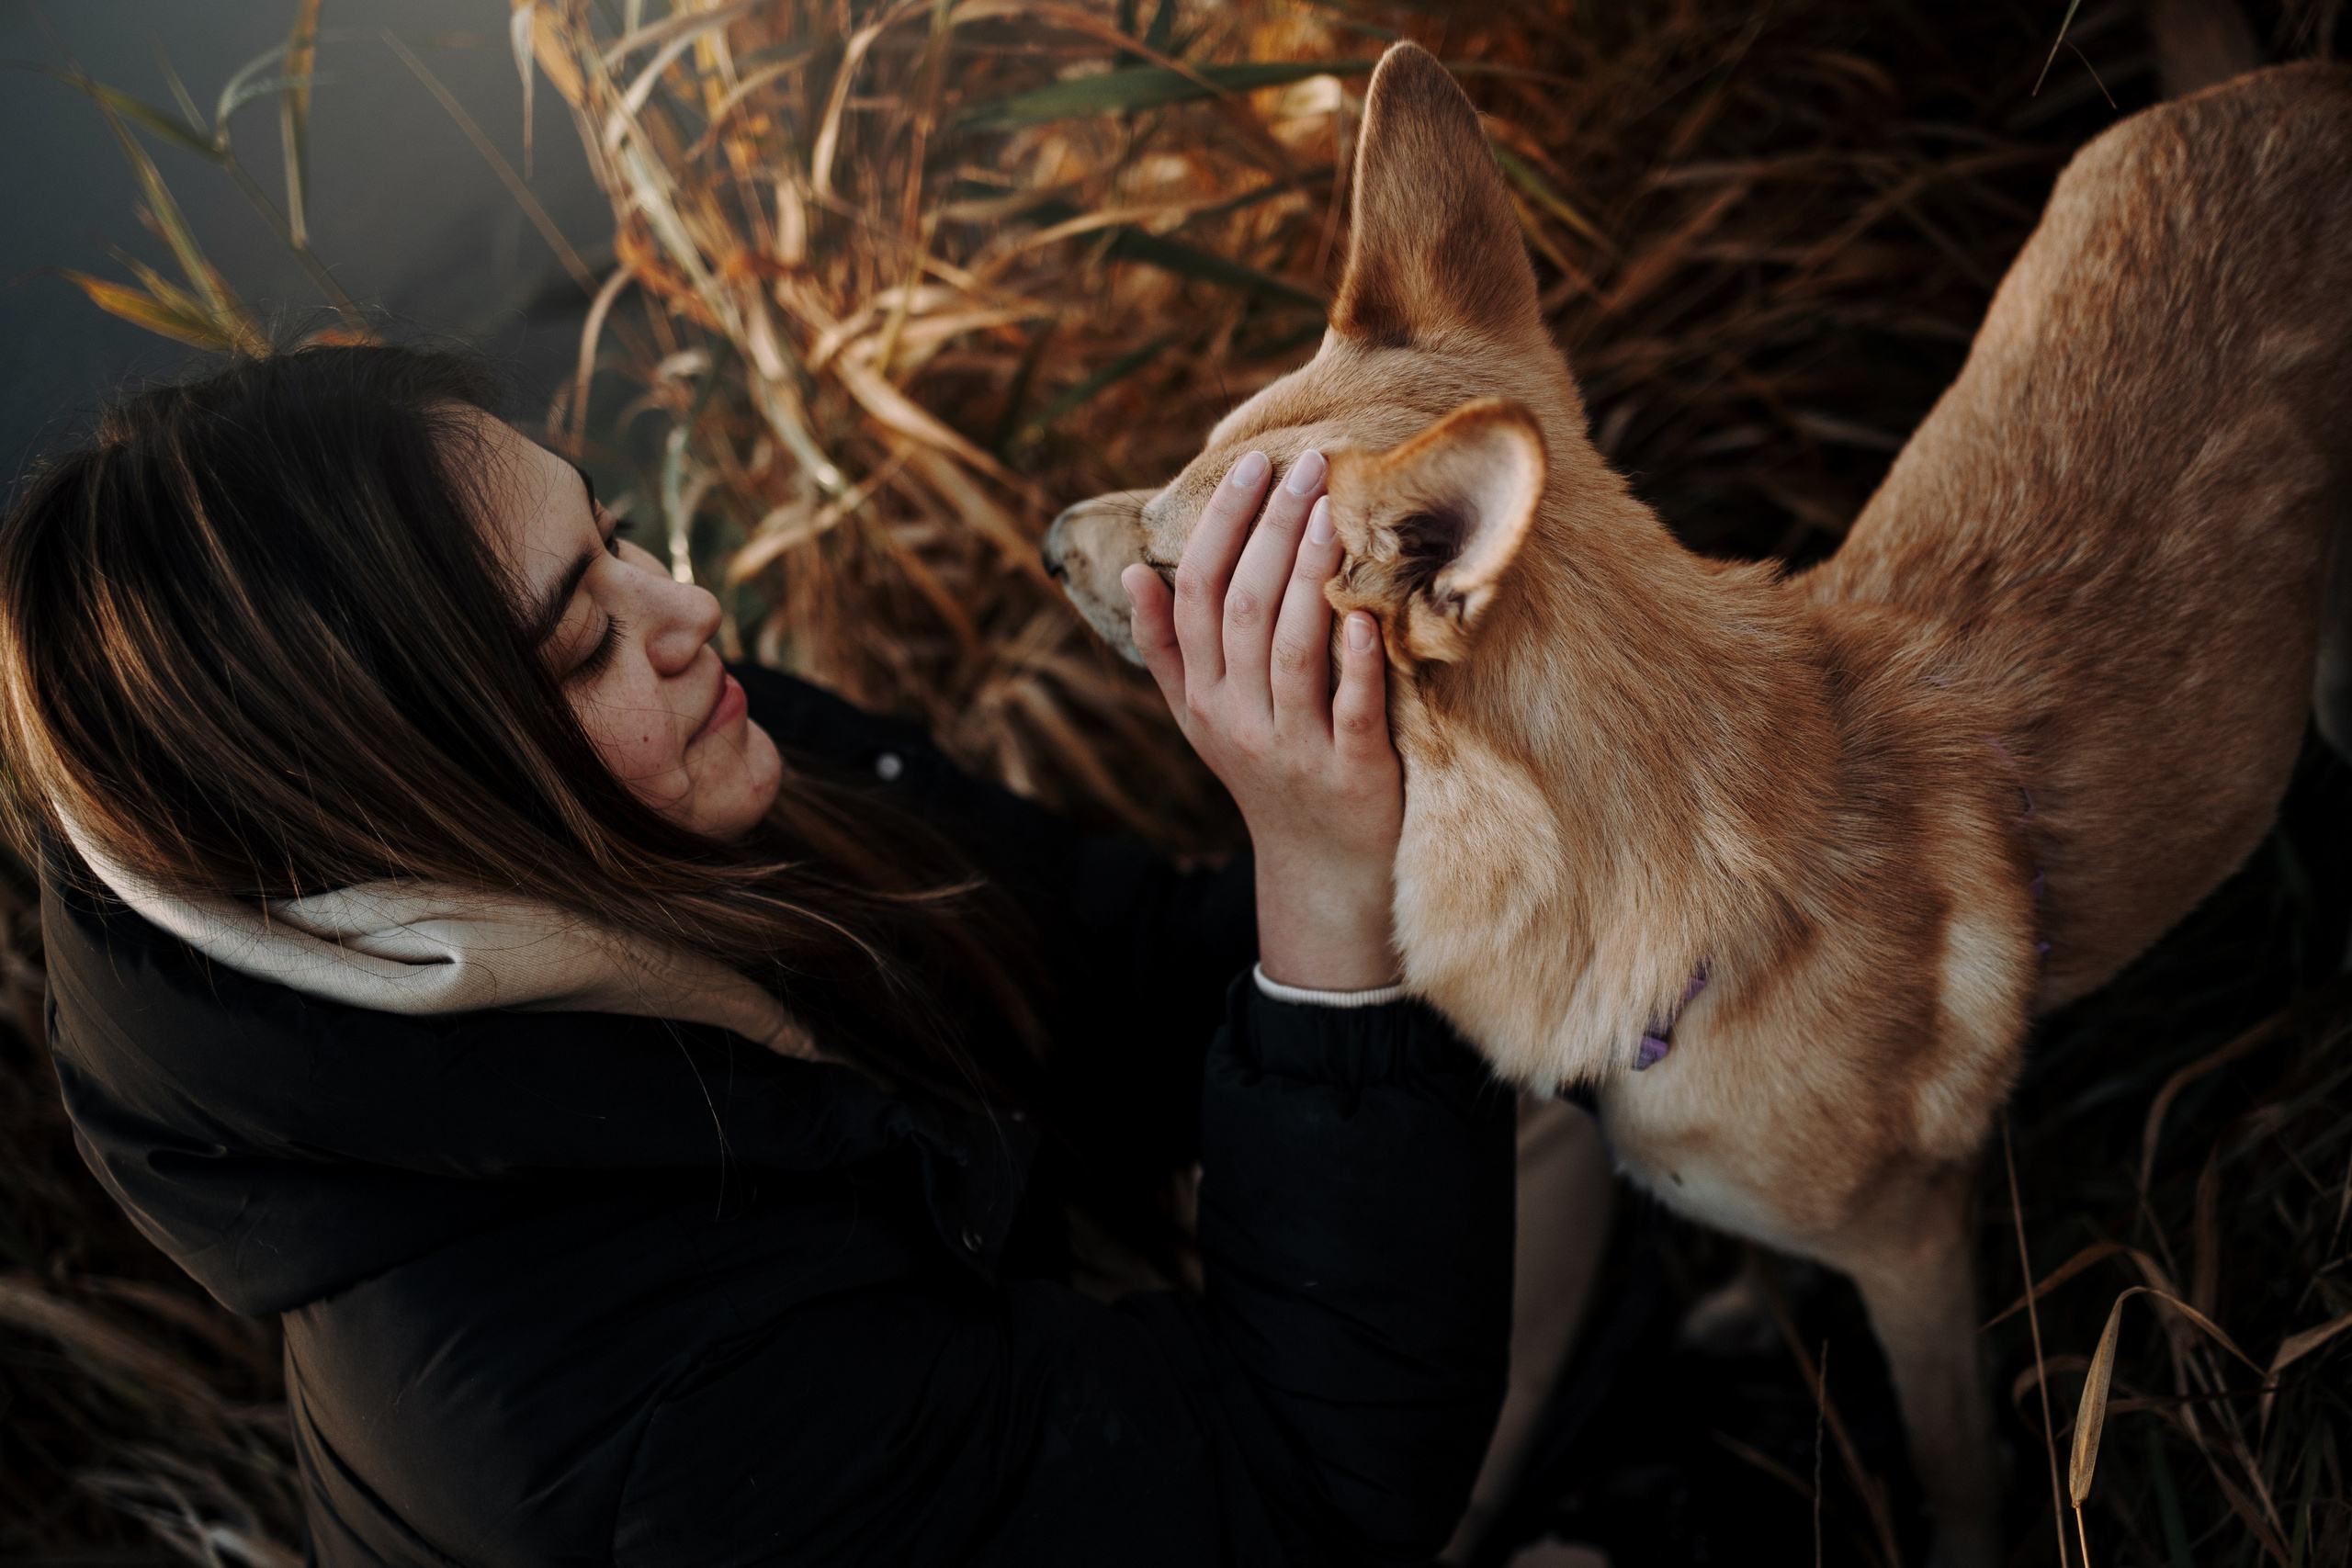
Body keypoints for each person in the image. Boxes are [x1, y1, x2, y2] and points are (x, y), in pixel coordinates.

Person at [0, 344, 1520, 1565]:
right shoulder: (634, 1426)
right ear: (415, 824)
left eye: (614, 536)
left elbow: (1121, 977)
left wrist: (1364, 782)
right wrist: (1324, 884)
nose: (689, 607)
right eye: (582, 642)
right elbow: (1303, 1498)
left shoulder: (669, 773)